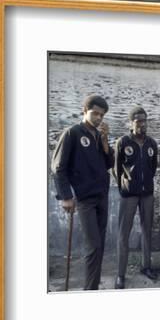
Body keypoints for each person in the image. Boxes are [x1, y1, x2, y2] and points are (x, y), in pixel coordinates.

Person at [51, 95, 113, 290]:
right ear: (84, 110)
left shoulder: (98, 135)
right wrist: (66, 197)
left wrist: (105, 142)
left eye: (101, 115)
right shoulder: (72, 133)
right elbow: (58, 167)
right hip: (84, 199)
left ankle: (92, 288)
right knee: (93, 246)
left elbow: (110, 163)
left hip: (102, 196)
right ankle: (89, 291)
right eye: (95, 113)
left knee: (100, 246)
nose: (98, 118)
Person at [113, 107, 159, 289]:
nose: (142, 124)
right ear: (131, 122)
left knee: (147, 230)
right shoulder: (123, 142)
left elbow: (153, 167)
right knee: (123, 234)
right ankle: (120, 274)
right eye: (139, 120)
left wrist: (145, 182)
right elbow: (116, 169)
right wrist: (124, 187)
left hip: (147, 194)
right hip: (129, 195)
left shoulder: (151, 144)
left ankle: (146, 266)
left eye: (145, 120)